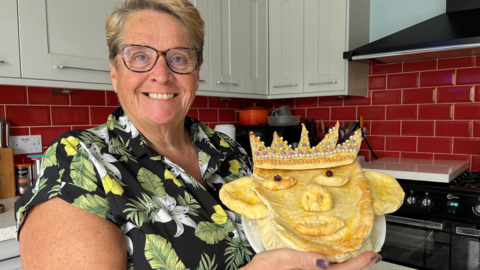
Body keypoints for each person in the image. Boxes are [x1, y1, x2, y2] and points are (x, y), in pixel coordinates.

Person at [14, 0, 381, 269]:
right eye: (139, 56)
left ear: (196, 70)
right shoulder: (78, 160)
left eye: (179, 57)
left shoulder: (230, 153)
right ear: (114, 71)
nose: (161, 73)